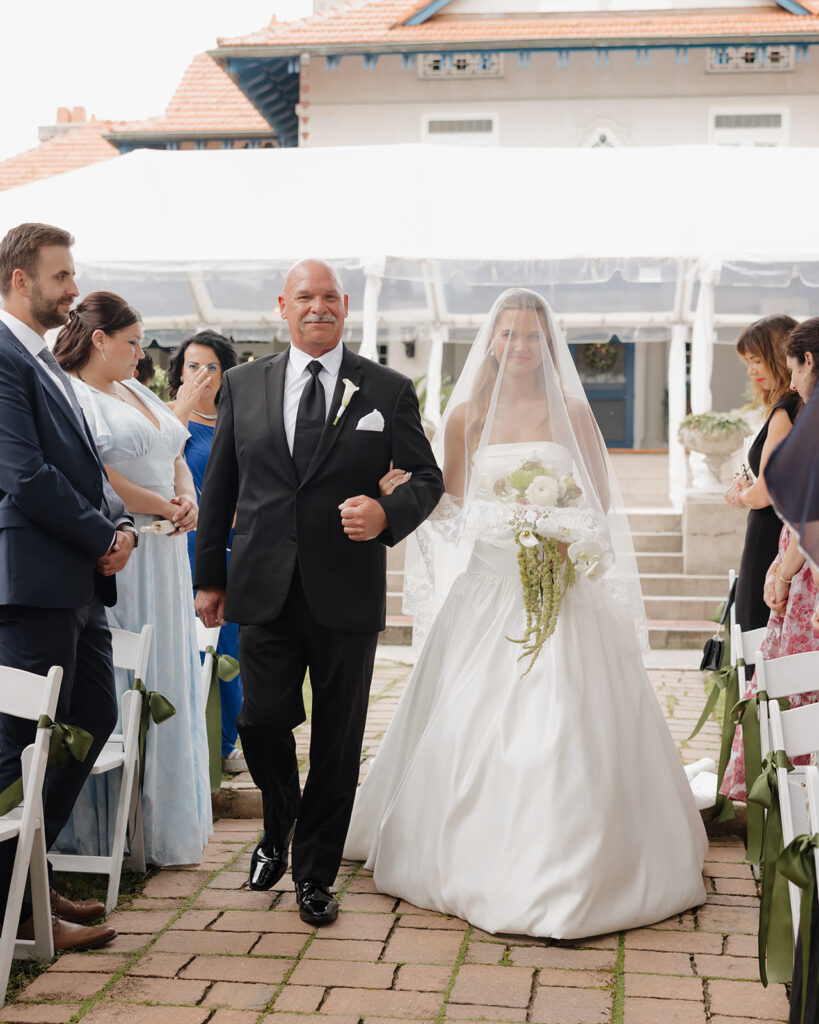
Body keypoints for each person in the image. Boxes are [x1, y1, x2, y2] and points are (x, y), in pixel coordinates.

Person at [344, 288, 707, 939]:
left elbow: (597, 506)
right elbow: (451, 507)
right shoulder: (465, 418)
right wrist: (408, 497)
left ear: (548, 344)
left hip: (562, 590)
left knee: (568, 721)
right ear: (490, 342)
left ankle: (577, 863)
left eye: (531, 337)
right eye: (507, 335)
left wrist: (558, 531)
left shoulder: (571, 410)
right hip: (486, 591)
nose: (518, 347)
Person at [194, 259, 443, 925]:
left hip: (346, 588)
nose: (317, 307)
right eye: (304, 297)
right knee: (260, 718)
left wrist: (388, 514)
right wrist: (208, 578)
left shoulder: (385, 388)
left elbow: (426, 476)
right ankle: (277, 828)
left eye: (329, 297)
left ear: (345, 306)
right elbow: (218, 488)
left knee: (338, 736)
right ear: (283, 305)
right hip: (260, 587)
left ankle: (313, 873)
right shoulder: (243, 385)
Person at [0, 224, 137, 951]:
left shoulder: (43, 361)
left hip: (81, 580)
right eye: (60, 277)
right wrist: (100, 536)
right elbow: (24, 477)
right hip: (35, 581)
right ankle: (16, 906)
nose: (72, 288)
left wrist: (123, 529)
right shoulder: (0, 354)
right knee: (21, 744)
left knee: (93, 715)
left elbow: (86, 469)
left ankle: (32, 872)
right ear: (21, 280)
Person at [52, 291, 212, 866]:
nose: (141, 355)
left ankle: (163, 823)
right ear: (100, 339)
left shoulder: (133, 388)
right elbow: (101, 476)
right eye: (132, 342)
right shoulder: (75, 396)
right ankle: (104, 830)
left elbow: (174, 448)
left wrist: (187, 498)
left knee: (170, 671)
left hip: (168, 553)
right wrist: (163, 509)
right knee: (120, 678)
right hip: (126, 548)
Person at [722, 316, 819, 802]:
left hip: (800, 566)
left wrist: (782, 570)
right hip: (790, 554)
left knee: (789, 679)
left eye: (768, 361)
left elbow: (805, 507)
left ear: (807, 361)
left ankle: (787, 795)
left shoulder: (798, 412)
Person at [167, 330, 244, 773]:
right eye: (194, 365)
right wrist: (180, 407)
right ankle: (189, 742)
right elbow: (162, 458)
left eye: (212, 367)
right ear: (181, 371)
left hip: (236, 542)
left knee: (231, 643)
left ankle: (226, 741)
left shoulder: (240, 418)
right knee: (191, 643)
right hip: (188, 543)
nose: (203, 375)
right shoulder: (169, 418)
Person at [724, 315, 799, 631]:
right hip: (788, 536)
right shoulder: (800, 407)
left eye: (756, 360)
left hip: (771, 537)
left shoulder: (786, 410)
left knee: (756, 632)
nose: (751, 371)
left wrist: (741, 494)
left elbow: (765, 493)